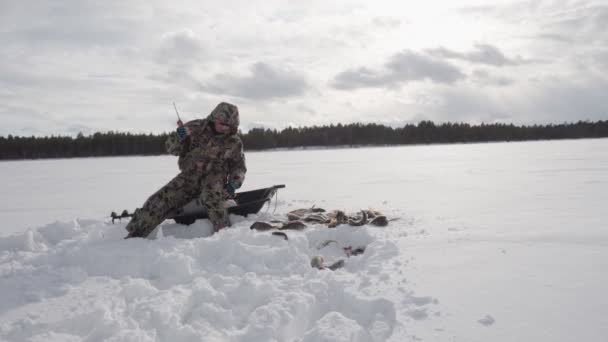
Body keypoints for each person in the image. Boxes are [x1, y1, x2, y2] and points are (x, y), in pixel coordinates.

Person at [125, 102, 247, 238]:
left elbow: (239, 167)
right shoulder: (195, 128)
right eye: (222, 123)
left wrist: (233, 184)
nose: (225, 128)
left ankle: (225, 235)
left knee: (212, 198)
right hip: (189, 177)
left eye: (229, 125)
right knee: (159, 199)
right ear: (215, 118)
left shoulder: (234, 142)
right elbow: (172, 149)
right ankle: (135, 234)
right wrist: (178, 138)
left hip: (215, 178)